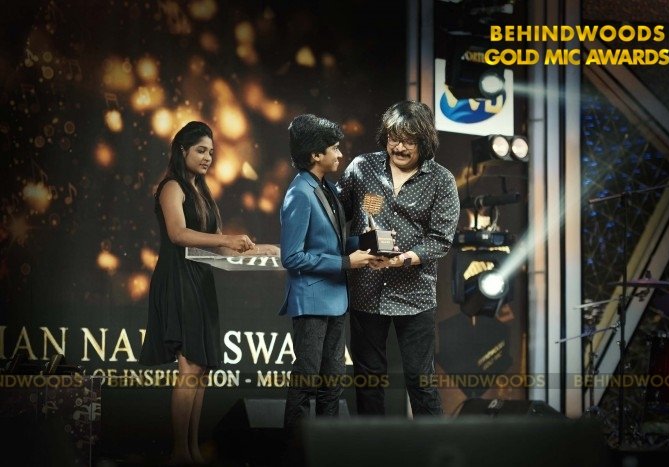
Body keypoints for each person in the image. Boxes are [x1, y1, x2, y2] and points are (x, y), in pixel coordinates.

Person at [139, 121, 277, 464]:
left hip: (200, 279)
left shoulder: (201, 191)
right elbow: (178, 234)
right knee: (189, 367)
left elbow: (222, 249)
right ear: (182, 150)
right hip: (177, 278)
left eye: (211, 152)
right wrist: (226, 238)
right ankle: (179, 452)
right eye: (201, 150)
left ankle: (192, 450)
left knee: (200, 369)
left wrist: (262, 249)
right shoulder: (171, 186)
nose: (207, 158)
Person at [337, 101, 460, 416]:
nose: (400, 147)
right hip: (365, 290)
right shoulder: (362, 167)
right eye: (394, 138)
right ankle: (372, 444)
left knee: (421, 382)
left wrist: (402, 259)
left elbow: (440, 240)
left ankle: (433, 445)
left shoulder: (442, 180)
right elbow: (336, 214)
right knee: (368, 380)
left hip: (415, 295)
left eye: (409, 141)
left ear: (424, 141)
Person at [279, 114, 375, 428]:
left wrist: (371, 245)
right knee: (306, 380)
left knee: (332, 384)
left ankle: (325, 447)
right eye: (334, 148)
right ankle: (294, 449)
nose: (340, 154)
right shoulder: (299, 193)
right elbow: (292, 257)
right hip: (311, 302)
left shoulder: (328, 189)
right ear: (315, 155)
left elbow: (334, 242)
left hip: (336, 299)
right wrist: (346, 263)